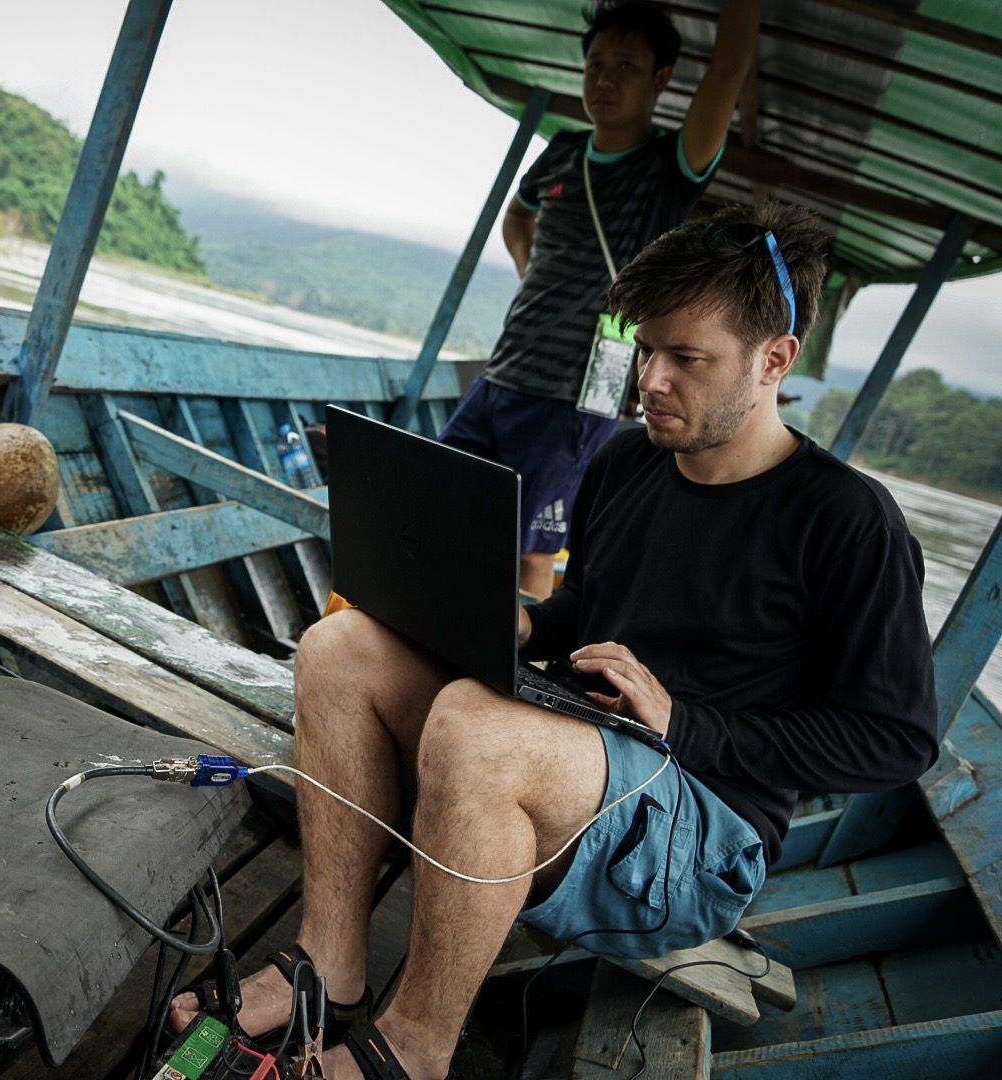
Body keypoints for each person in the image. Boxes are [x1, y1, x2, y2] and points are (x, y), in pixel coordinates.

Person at [170, 200, 940, 1080]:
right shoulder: (622, 460)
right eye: (646, 349)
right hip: (586, 748)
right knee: (339, 648)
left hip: (703, 835)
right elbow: (587, 609)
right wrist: (527, 622)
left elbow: (898, 740)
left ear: (775, 360)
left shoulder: (848, 521)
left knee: (474, 724)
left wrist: (682, 721)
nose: (649, 379)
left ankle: (415, 1048)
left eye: (686, 359)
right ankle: (328, 969)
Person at [440, 0, 760, 599]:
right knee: (436, 504)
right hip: (501, 374)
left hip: (576, 395)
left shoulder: (670, 166)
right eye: (595, 65)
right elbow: (518, 214)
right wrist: (534, 273)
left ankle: (511, 683)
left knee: (531, 550)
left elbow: (729, 67)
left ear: (660, 80)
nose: (605, 80)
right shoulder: (562, 151)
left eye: (626, 67)